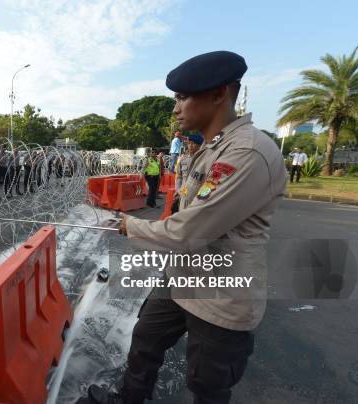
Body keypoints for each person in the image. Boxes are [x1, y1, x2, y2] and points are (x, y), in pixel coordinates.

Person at [89, 51, 287, 404]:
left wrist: (129, 226)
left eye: (183, 98)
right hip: (182, 277)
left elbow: (188, 230)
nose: (176, 108)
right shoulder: (208, 149)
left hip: (221, 292)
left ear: (218, 94)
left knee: (207, 384)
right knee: (145, 341)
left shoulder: (247, 153)